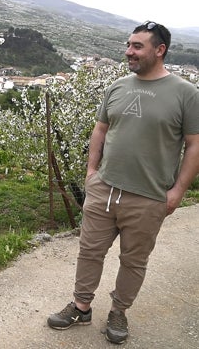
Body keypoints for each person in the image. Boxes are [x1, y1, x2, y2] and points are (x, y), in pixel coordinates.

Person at [47, 21, 199, 344]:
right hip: (105, 187)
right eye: (129, 45)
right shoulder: (117, 86)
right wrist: (91, 173)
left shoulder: (186, 94)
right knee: (89, 251)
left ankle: (119, 311)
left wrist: (177, 192)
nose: (129, 51)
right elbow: (100, 130)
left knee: (134, 260)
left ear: (160, 51)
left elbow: (195, 145)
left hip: (148, 196)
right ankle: (81, 305)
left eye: (137, 46)